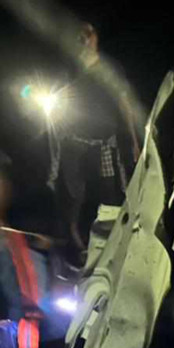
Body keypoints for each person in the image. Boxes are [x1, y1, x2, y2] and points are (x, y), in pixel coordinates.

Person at [51, 22, 142, 255]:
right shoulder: (69, 67)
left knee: (109, 194)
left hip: (104, 143)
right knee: (73, 195)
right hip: (74, 140)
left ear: (95, 36)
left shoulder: (109, 67)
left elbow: (124, 102)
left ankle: (114, 245)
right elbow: (56, 99)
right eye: (80, 34)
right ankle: (75, 243)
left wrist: (133, 140)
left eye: (88, 33)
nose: (84, 38)